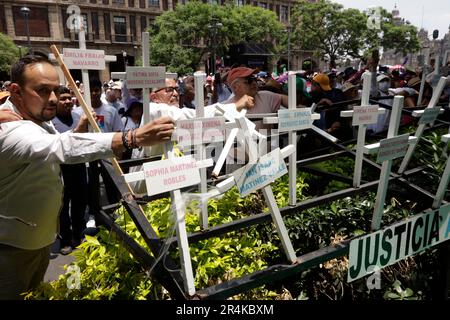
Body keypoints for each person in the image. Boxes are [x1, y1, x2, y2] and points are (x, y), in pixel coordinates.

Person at [0, 55, 174, 299]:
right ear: (16, 92)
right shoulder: (9, 127)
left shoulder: (34, 116)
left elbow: (61, 141)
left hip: (38, 241)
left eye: (55, 90)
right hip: (11, 249)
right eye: (42, 90)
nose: (52, 98)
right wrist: (130, 138)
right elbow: (61, 146)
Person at [51, 85, 89, 255]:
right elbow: (61, 145)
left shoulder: (77, 116)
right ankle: (65, 240)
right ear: (55, 100)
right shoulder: (50, 122)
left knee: (80, 203)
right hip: (60, 172)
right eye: (63, 98)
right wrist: (79, 128)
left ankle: (78, 235)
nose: (67, 101)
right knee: (62, 207)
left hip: (79, 168)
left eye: (69, 98)